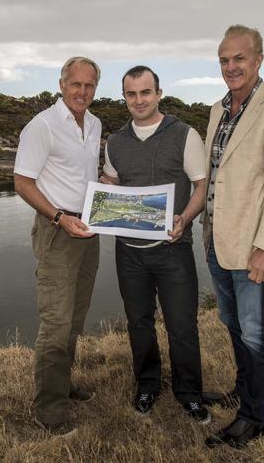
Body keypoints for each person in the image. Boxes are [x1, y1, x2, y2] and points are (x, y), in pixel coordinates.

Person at [202, 25, 264, 449]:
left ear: (258, 60)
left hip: (253, 250)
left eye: (239, 58)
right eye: (224, 60)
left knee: (257, 332)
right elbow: (213, 179)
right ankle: (243, 390)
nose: (231, 67)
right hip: (216, 242)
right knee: (233, 325)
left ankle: (254, 417)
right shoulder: (216, 110)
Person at [101, 65, 210, 424]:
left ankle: (189, 393)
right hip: (128, 252)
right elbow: (112, 185)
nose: (139, 100)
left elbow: (200, 186)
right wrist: (103, 195)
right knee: (139, 323)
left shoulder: (184, 134)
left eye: (145, 93)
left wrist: (185, 218)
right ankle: (147, 384)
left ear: (159, 93)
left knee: (182, 325)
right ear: (124, 98)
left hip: (173, 250)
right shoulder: (115, 141)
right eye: (131, 94)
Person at [13, 56, 102, 438]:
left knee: (76, 316)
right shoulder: (42, 126)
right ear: (61, 83)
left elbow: (89, 176)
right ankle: (50, 412)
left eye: (89, 85)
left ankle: (62, 385)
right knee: (56, 321)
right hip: (57, 229)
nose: (82, 92)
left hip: (89, 228)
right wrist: (58, 218)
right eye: (75, 84)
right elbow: (22, 182)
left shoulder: (95, 124)